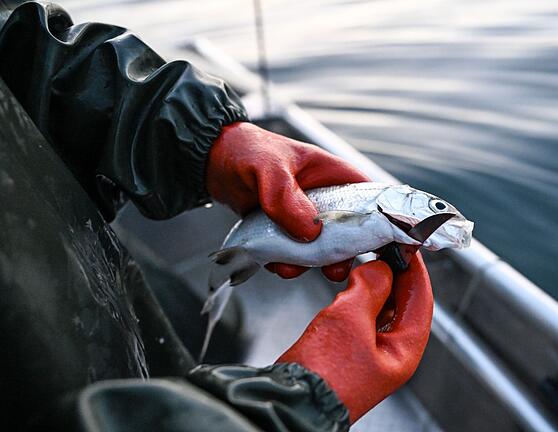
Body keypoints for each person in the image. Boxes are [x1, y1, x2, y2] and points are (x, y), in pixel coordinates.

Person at [0, 1, 434, 431]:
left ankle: (211, 359)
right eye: (435, 208)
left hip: (74, 256)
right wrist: (293, 407)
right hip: (44, 342)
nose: (438, 215)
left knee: (182, 329)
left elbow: (18, 43)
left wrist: (197, 135)